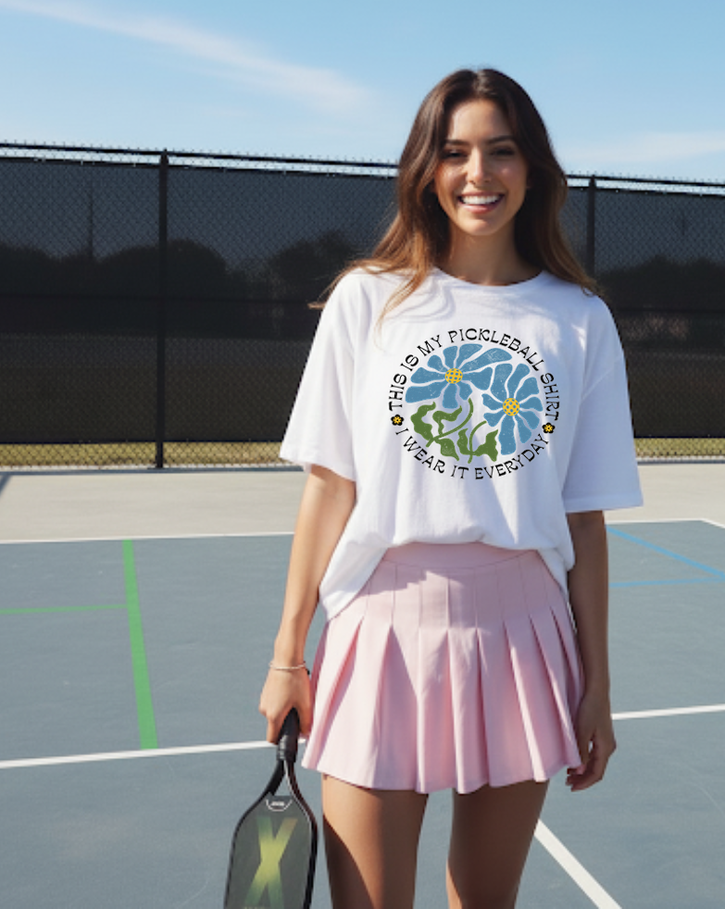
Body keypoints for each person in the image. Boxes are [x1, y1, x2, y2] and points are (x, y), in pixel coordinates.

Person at [259, 68, 641, 909]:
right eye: (456, 152)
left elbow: (585, 522)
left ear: (532, 168)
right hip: (380, 631)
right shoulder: (367, 300)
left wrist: (598, 687)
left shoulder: (580, 319)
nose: (479, 174)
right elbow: (328, 488)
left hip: (525, 636)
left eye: (501, 152)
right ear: (426, 170)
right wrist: (289, 655)